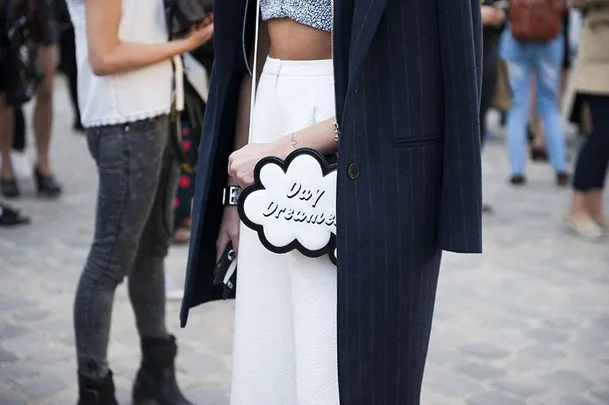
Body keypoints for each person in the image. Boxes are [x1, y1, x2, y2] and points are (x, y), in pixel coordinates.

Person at [181, 0, 483, 404]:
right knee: (266, 350)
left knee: (334, 357)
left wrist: (290, 146)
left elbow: (420, 79)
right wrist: (236, 193)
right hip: (266, 119)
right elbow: (251, 51)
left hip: (353, 135)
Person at [65, 0, 213, 403]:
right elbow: (105, 55)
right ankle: (95, 390)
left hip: (157, 111)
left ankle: (156, 377)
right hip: (124, 121)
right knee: (109, 262)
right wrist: (187, 44)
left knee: (151, 252)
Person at [500, 5, 570, 186]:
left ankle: (516, 170)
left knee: (517, 105)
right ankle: (560, 166)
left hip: (517, 36)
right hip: (549, 37)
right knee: (548, 103)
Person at [0, 0, 62, 198]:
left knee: (46, 86)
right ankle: (6, 168)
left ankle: (43, 165)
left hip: (40, 8)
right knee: (4, 92)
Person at [564, 0, 609, 239]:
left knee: (605, 139)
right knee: (600, 135)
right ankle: (577, 208)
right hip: (600, 61)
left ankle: (594, 206)